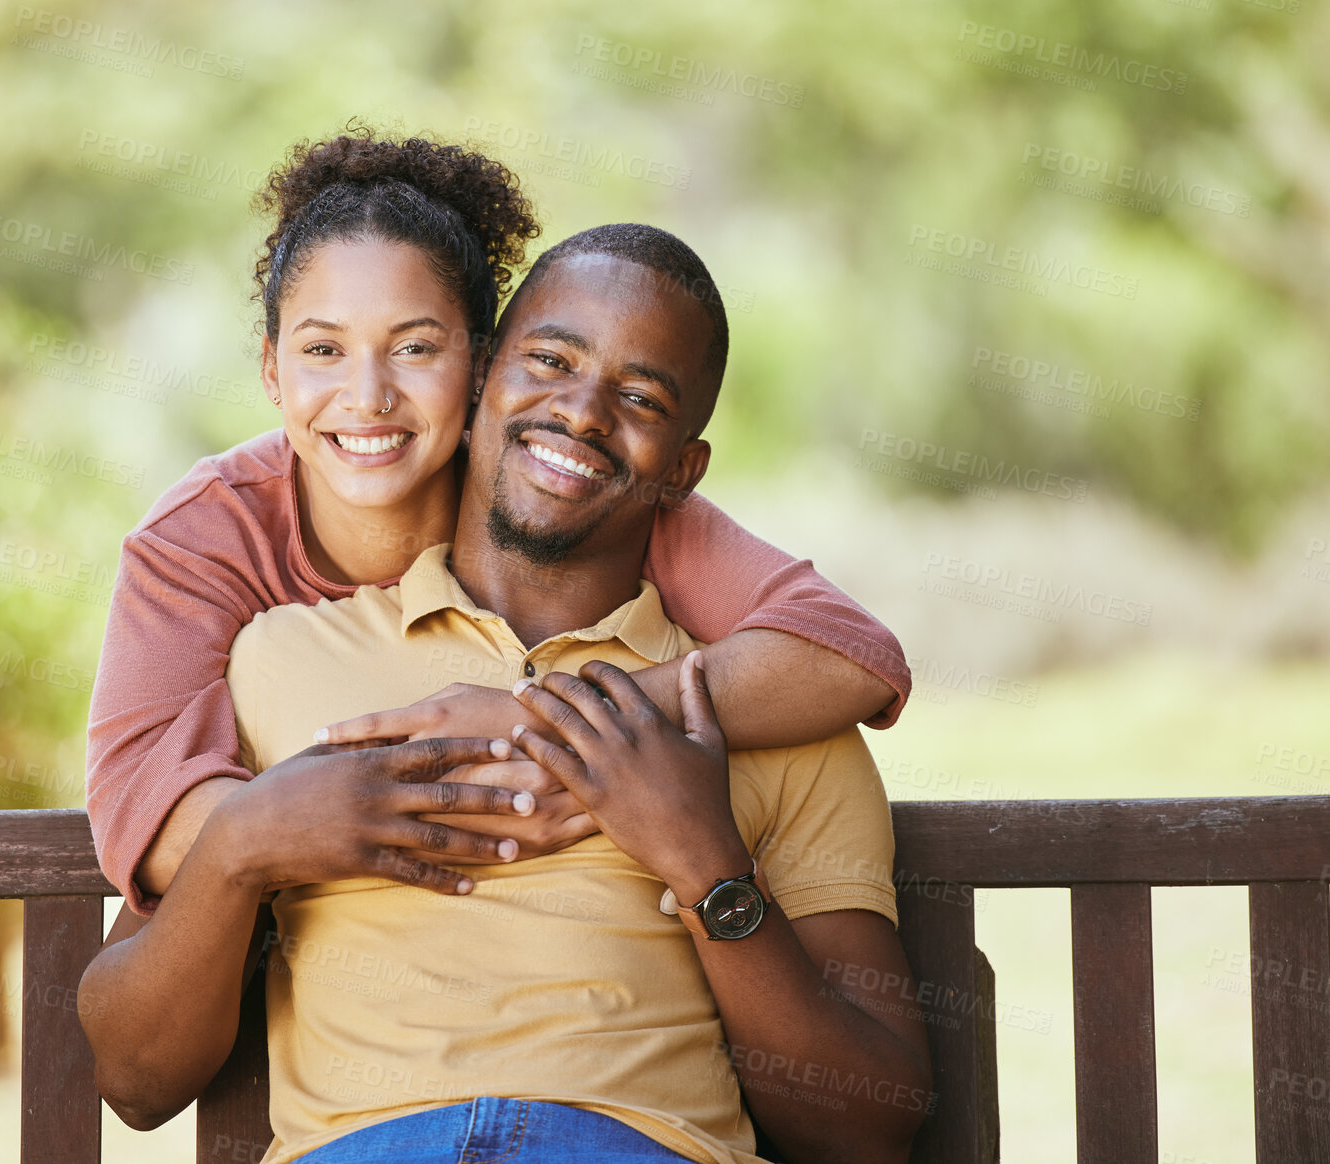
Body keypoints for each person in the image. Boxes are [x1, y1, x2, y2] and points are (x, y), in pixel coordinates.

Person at [79, 225, 930, 1164]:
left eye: (640, 397)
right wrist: (242, 846)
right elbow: (135, 1080)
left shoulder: (768, 709)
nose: (582, 413)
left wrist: (706, 867)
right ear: (482, 379)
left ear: (683, 470)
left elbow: (870, 1125)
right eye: (550, 361)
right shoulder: (280, 661)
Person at [86, 129, 911, 916]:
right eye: (322, 351)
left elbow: (851, 659)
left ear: (481, 366)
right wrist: (440, 807)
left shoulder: (548, 485)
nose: (367, 397)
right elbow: (146, 821)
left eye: (414, 349)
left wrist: (548, 721)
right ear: (272, 367)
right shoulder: (204, 536)